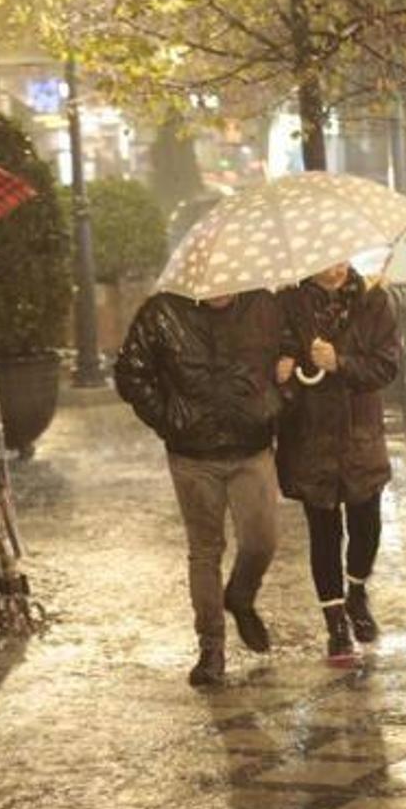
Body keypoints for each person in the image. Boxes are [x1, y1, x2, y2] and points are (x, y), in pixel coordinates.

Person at [115, 289, 284, 687]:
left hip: (251, 447)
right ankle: (211, 647)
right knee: (205, 550)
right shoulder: (161, 311)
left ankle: (241, 596)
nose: (218, 289)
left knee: (262, 541)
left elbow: (289, 355)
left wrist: (279, 398)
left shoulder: (263, 306)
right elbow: (130, 372)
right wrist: (169, 418)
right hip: (193, 454)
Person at [275, 261, 399, 665]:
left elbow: (386, 365)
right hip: (311, 436)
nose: (332, 270)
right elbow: (273, 355)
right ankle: (335, 624)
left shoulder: (373, 301)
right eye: (322, 263)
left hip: (360, 435)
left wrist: (340, 363)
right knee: (323, 532)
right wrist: (285, 368)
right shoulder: (289, 303)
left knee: (366, 525)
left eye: (338, 259)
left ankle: (357, 589)